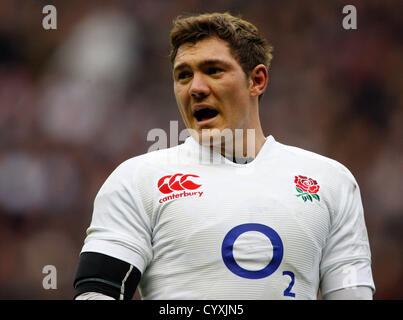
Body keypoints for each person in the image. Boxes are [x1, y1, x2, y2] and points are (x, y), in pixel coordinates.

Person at [73, 12, 375, 300]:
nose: (196, 88)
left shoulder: (330, 182)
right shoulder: (138, 180)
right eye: (183, 75)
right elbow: (96, 293)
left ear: (256, 81)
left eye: (213, 70)